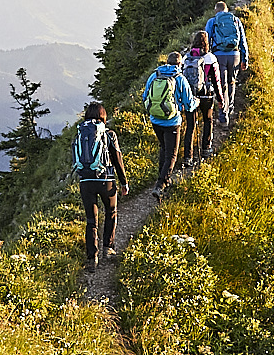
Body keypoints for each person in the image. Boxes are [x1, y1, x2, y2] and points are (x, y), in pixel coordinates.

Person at [70, 100, 128, 268]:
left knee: (91, 220)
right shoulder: (109, 134)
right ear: (103, 116)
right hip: (106, 180)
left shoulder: (80, 134)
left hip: (86, 181)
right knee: (111, 211)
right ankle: (108, 249)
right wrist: (124, 182)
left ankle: (91, 258)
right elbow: (117, 159)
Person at [141, 51, 197, 195]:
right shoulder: (180, 78)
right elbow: (189, 104)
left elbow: (145, 96)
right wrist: (196, 102)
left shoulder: (155, 75)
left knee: (164, 148)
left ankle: (163, 177)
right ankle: (161, 184)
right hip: (172, 122)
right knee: (172, 154)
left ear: (167, 62)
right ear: (180, 64)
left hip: (155, 120)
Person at [180, 31, 223, 165]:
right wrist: (220, 99)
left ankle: (188, 156)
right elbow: (216, 81)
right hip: (206, 95)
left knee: (190, 126)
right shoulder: (210, 58)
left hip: (190, 96)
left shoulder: (185, 58)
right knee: (208, 120)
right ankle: (206, 149)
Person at [205, 1, 249, 122]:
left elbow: (207, 40)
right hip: (235, 55)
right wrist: (245, 59)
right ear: (227, 9)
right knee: (231, 82)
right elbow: (243, 41)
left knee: (222, 84)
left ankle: (223, 115)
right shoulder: (236, 20)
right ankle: (230, 108)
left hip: (219, 55)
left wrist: (206, 58)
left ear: (216, 10)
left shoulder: (212, 21)